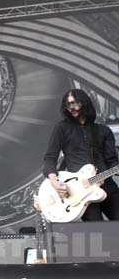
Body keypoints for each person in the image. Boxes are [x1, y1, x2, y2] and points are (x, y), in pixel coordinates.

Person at [43, 88, 119, 220]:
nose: (71, 107)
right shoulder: (62, 128)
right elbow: (50, 157)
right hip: (80, 190)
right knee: (97, 233)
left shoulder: (103, 130)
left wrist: (116, 169)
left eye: (74, 103)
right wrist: (55, 182)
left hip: (106, 185)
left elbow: (112, 161)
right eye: (68, 104)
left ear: (84, 102)